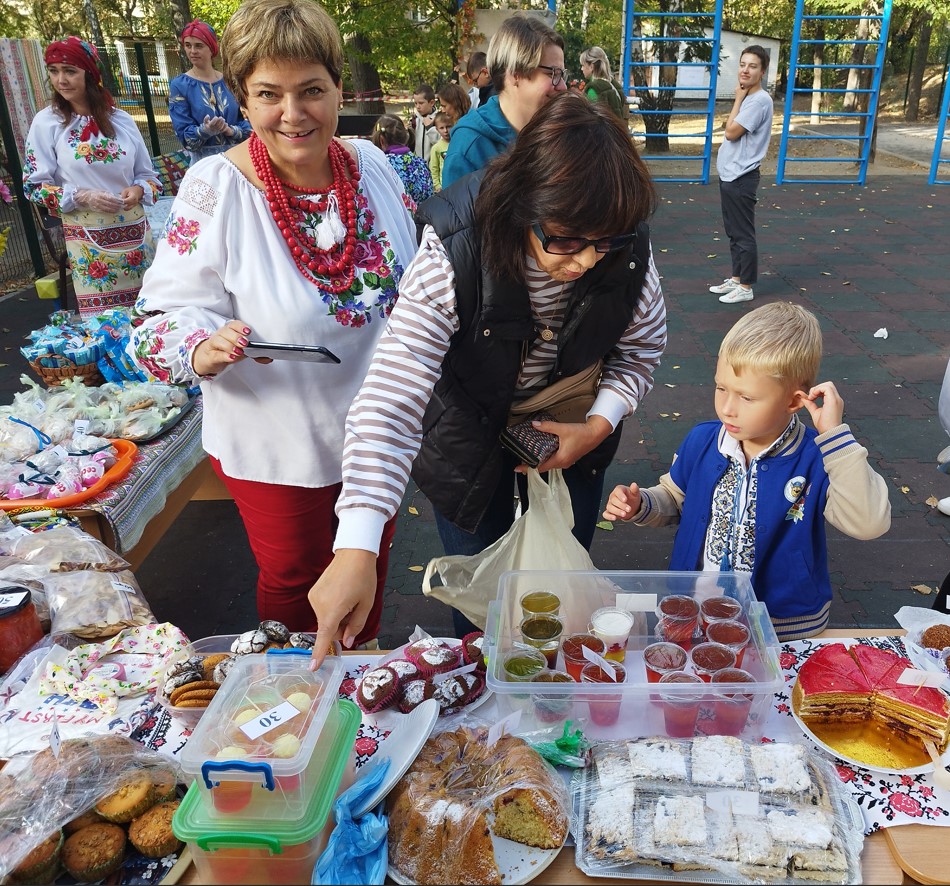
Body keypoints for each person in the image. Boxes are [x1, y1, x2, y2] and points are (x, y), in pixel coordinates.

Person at [307, 93, 666, 666]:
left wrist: (596, 428)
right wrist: (357, 545)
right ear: (524, 203)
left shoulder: (625, 249)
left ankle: (557, 685)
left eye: (606, 242)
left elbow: (640, 351)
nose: (586, 261)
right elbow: (390, 397)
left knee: (564, 587)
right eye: (566, 240)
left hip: (568, 435)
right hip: (465, 435)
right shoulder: (455, 249)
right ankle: (483, 677)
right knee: (480, 598)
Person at [127, 0, 418, 646]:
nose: (293, 113)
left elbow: (418, 275)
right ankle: (293, 681)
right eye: (269, 94)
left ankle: (362, 673)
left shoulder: (370, 165)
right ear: (242, 98)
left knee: (368, 557)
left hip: (378, 429)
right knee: (294, 580)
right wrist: (200, 345)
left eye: (311, 90)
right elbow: (157, 320)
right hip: (277, 436)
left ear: (338, 88)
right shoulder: (216, 188)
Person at [603, 301, 891, 641]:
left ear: (794, 401)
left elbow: (869, 523)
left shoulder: (818, 456)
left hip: (781, 626)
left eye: (747, 398)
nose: (727, 407)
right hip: (693, 614)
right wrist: (641, 504)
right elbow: (675, 498)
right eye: (721, 388)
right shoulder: (703, 440)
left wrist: (835, 438)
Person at [23, 37, 162, 318]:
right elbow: (33, 187)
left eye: (70, 71)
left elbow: (150, 178)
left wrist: (138, 190)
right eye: (53, 71)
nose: (61, 80)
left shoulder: (121, 120)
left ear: (89, 73)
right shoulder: (47, 123)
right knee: (104, 325)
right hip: (89, 247)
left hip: (136, 240)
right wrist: (81, 196)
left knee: (149, 318)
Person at [441, 13, 567, 190]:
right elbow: (456, 208)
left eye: (562, 75)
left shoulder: (560, 134)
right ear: (516, 74)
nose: (563, 86)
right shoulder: (469, 147)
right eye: (552, 73)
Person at [707, 45, 774, 305]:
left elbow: (731, 132)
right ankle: (736, 278)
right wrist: (740, 98)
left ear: (762, 71)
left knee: (743, 233)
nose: (745, 70)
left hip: (741, 177)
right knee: (733, 231)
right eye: (742, 64)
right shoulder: (749, 97)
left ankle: (746, 286)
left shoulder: (759, 101)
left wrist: (737, 99)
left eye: (752, 66)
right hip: (731, 175)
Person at [168, 20, 251, 164]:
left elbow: (252, 124)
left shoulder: (230, 81)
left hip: (237, 161)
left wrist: (231, 131)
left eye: (199, 45)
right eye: (188, 45)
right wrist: (205, 130)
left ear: (211, 47)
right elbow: (185, 138)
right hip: (204, 164)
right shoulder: (180, 85)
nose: (192, 51)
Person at [370, 113, 433, 207]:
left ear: (381, 140)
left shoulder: (381, 166)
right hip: (424, 215)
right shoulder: (421, 163)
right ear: (405, 136)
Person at [579, 46, 624, 120]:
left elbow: (591, 120)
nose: (581, 69)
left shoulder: (593, 88)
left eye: (583, 65)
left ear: (591, 66)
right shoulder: (613, 84)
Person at [409, 83, 439, 162]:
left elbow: (439, 141)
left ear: (432, 103)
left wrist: (430, 128)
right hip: (418, 164)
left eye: (421, 103)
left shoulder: (439, 119)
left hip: (433, 165)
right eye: (415, 103)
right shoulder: (414, 120)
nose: (418, 107)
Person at [428, 111, 452, 192]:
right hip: (443, 187)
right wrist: (437, 185)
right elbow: (434, 168)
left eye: (448, 126)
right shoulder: (436, 148)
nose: (445, 131)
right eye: (441, 128)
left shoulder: (458, 143)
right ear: (437, 129)